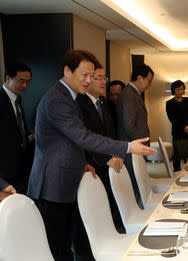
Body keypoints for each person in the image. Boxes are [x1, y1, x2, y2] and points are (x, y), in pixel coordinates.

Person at [27, 50, 155, 261]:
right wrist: (127, 147)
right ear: (67, 71)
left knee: (66, 245)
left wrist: (82, 162)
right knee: (55, 249)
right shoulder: (57, 99)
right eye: (84, 75)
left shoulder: (70, 97)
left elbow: (68, 141)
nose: (88, 81)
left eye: (92, 75)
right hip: (52, 184)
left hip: (65, 179)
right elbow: (83, 137)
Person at [77, 65, 125, 233]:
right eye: (97, 77)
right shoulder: (79, 103)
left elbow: (110, 133)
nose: (103, 82)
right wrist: (105, 159)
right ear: (87, 80)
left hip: (109, 160)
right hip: (92, 163)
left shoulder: (103, 102)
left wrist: (116, 153)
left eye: (104, 77)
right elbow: (85, 138)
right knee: (95, 208)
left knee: (109, 203)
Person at [116, 64, 153, 207]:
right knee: (133, 186)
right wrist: (141, 146)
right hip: (131, 149)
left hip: (135, 148)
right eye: (149, 80)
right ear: (139, 78)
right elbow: (129, 124)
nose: (149, 84)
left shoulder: (133, 93)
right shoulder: (129, 95)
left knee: (137, 186)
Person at [0, 63, 34, 197]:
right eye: (21, 80)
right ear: (8, 78)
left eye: (27, 82)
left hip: (20, 166)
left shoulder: (17, 98)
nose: (25, 85)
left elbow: (18, 125)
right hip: (4, 170)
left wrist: (28, 135)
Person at [166, 80, 188, 171]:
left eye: (182, 89)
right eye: (178, 89)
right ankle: (177, 171)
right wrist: (184, 127)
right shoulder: (169, 103)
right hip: (178, 131)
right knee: (177, 153)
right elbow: (172, 119)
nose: (180, 91)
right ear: (173, 90)